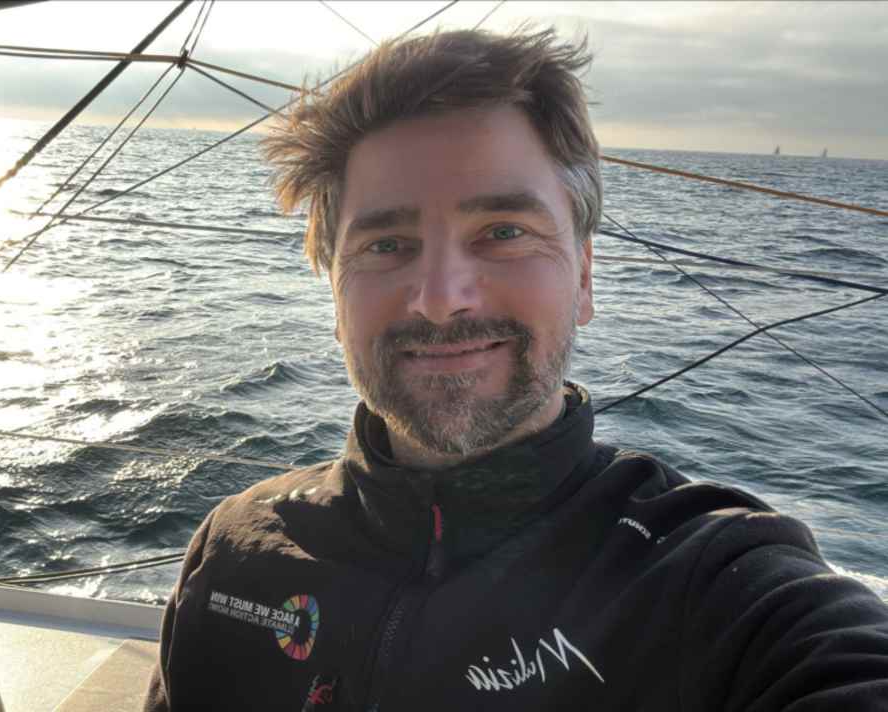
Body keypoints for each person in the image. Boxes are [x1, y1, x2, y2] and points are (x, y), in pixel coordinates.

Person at [143, 27, 888, 711]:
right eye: (386, 244)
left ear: (586, 277)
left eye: (502, 231)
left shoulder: (717, 586)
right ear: (333, 290)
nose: (439, 301)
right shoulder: (231, 551)